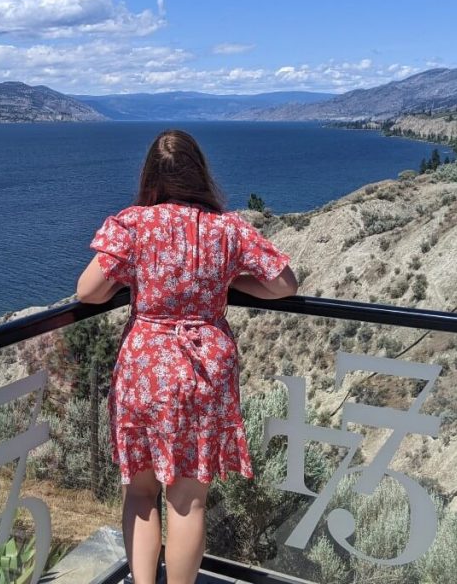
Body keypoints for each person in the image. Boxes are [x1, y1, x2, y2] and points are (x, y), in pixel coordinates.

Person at [76, 129, 298, 584]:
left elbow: (89, 291)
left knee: (140, 494)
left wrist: (138, 279)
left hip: (147, 367)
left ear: (151, 177)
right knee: (188, 501)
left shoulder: (134, 224)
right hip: (203, 367)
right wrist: (229, 282)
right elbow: (284, 284)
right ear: (201, 175)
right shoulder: (227, 229)